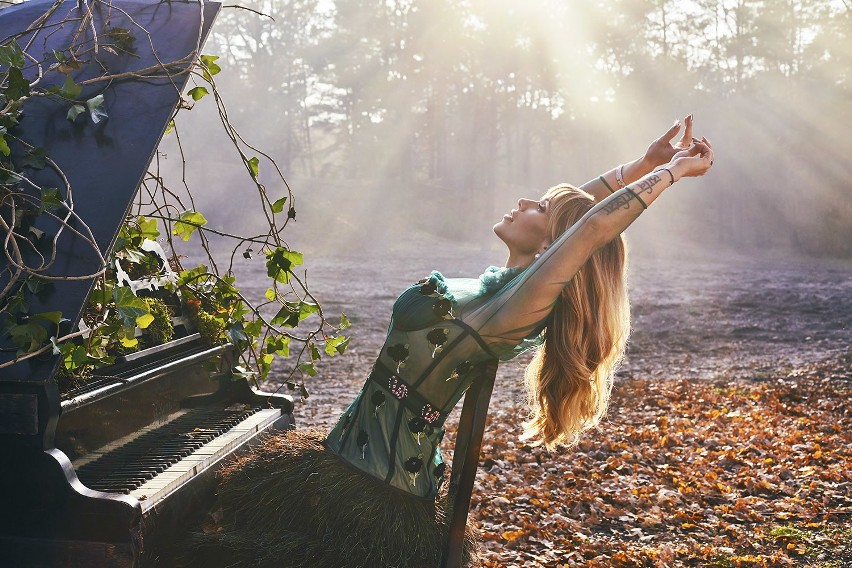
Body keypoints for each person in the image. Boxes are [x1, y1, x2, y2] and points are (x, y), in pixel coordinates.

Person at [177, 117, 713, 568]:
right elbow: (574, 216)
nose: (525, 199)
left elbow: (589, 229)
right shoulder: (497, 292)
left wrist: (673, 174)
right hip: (342, 468)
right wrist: (643, 165)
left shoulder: (509, 312)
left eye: (539, 208)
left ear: (552, 244)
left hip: (374, 497)